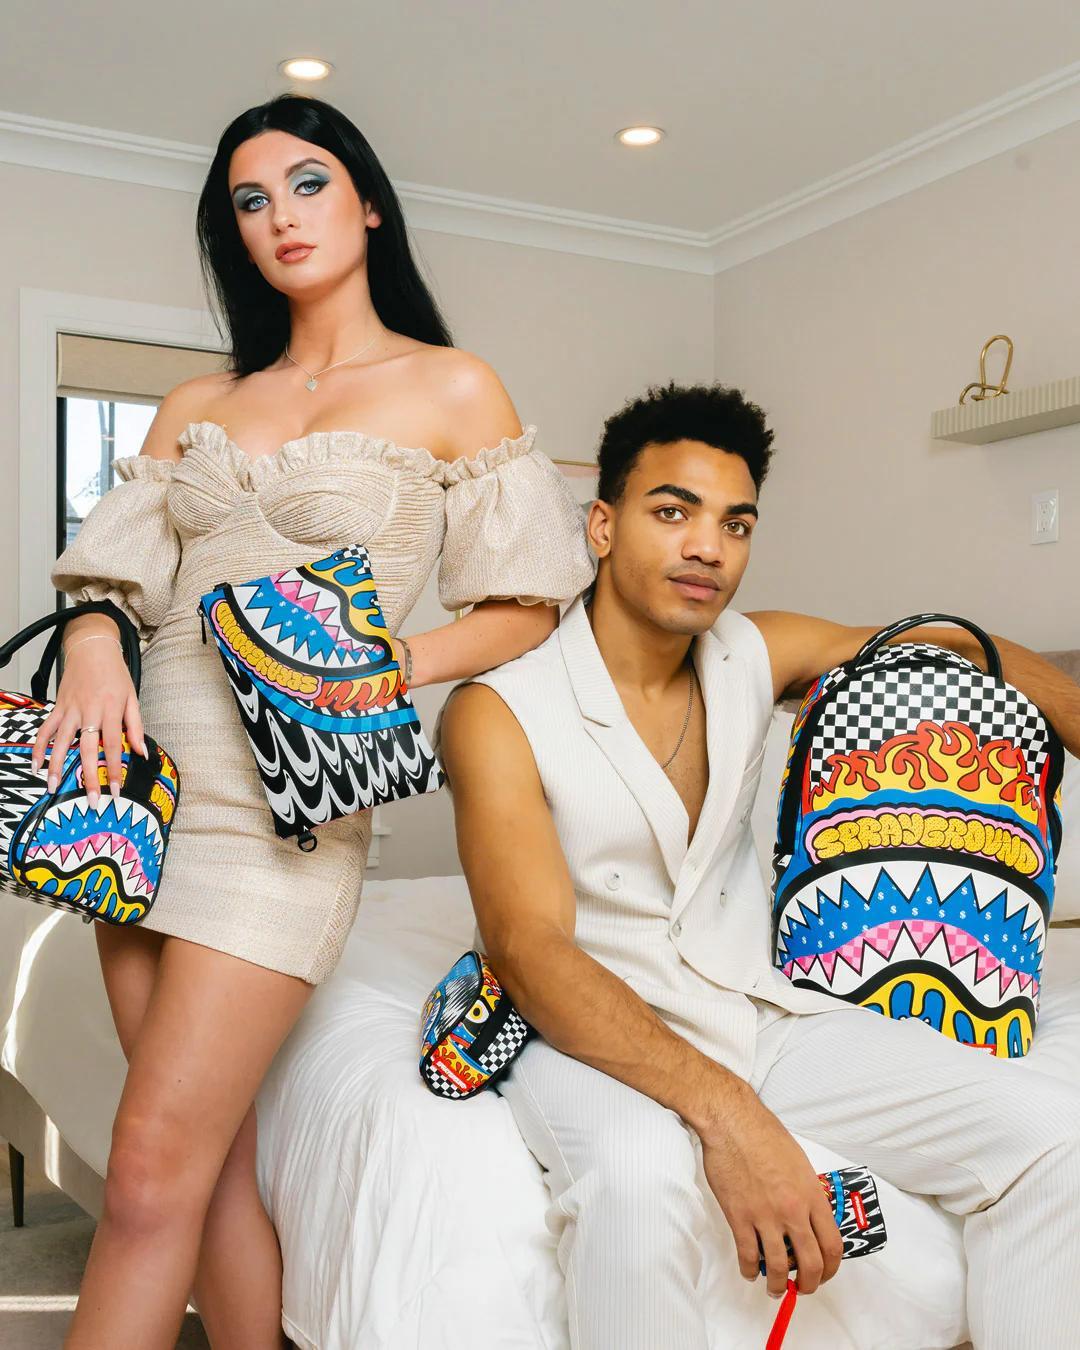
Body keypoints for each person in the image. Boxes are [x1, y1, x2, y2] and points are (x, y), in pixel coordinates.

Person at [39, 93, 594, 1350]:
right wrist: (92, 643)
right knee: (211, 1163)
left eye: (306, 184)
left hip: (280, 822)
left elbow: (526, 605)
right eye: (250, 201)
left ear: (368, 203)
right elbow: (115, 582)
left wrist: (391, 664)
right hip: (133, 794)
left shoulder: (451, 385)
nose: (279, 217)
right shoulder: (198, 399)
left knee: (144, 1175)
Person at [437, 379, 1080, 1350]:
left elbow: (941, 644)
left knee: (1055, 1137)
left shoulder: (753, 651)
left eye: (735, 524)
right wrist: (729, 1117)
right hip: (591, 1032)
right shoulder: (498, 712)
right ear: (602, 526)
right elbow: (530, 950)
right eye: (673, 512)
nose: (708, 546)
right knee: (642, 1184)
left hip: (766, 1017)